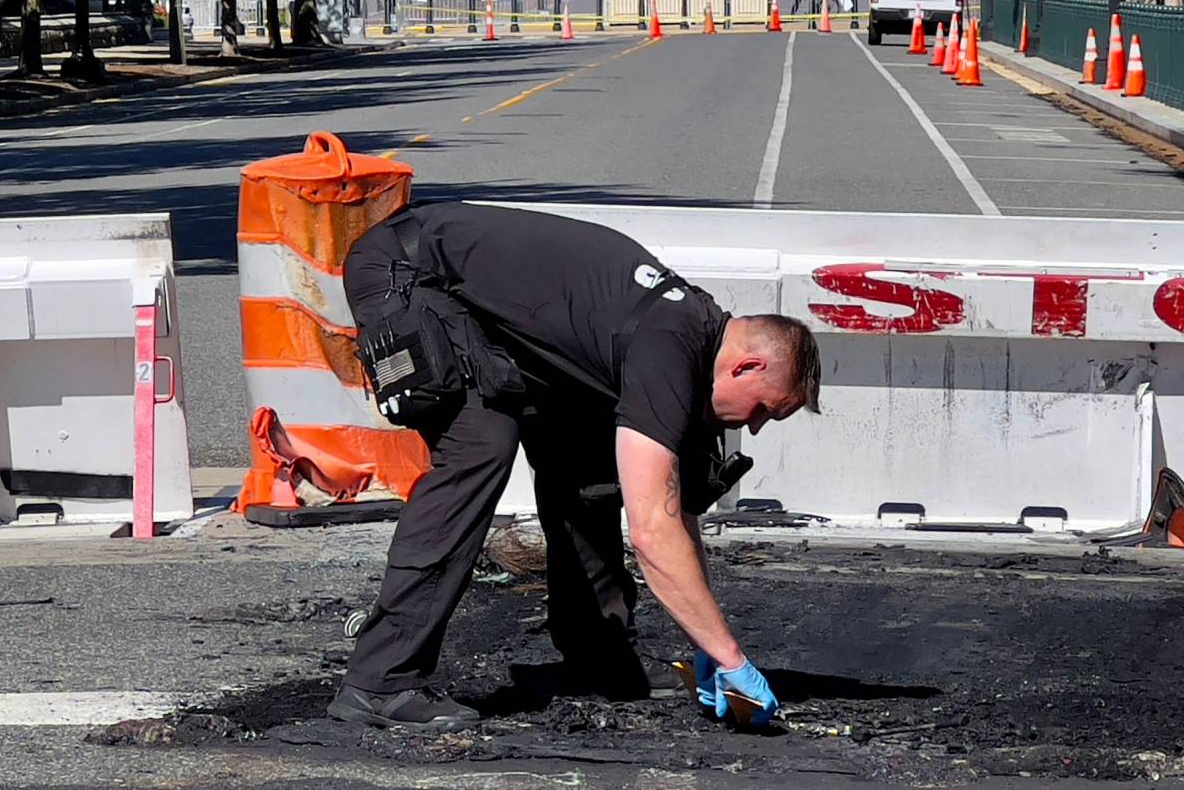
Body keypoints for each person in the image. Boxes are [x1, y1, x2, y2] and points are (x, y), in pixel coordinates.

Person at [328, 203, 822, 732]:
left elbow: (677, 515)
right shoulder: (670, 347)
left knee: (586, 463)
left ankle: (597, 654)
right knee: (480, 446)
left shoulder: (691, 340)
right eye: (766, 409)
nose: (755, 427)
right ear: (748, 365)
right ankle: (380, 680)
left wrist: (705, 639)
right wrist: (731, 659)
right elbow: (653, 530)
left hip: (483, 305)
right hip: (409, 271)